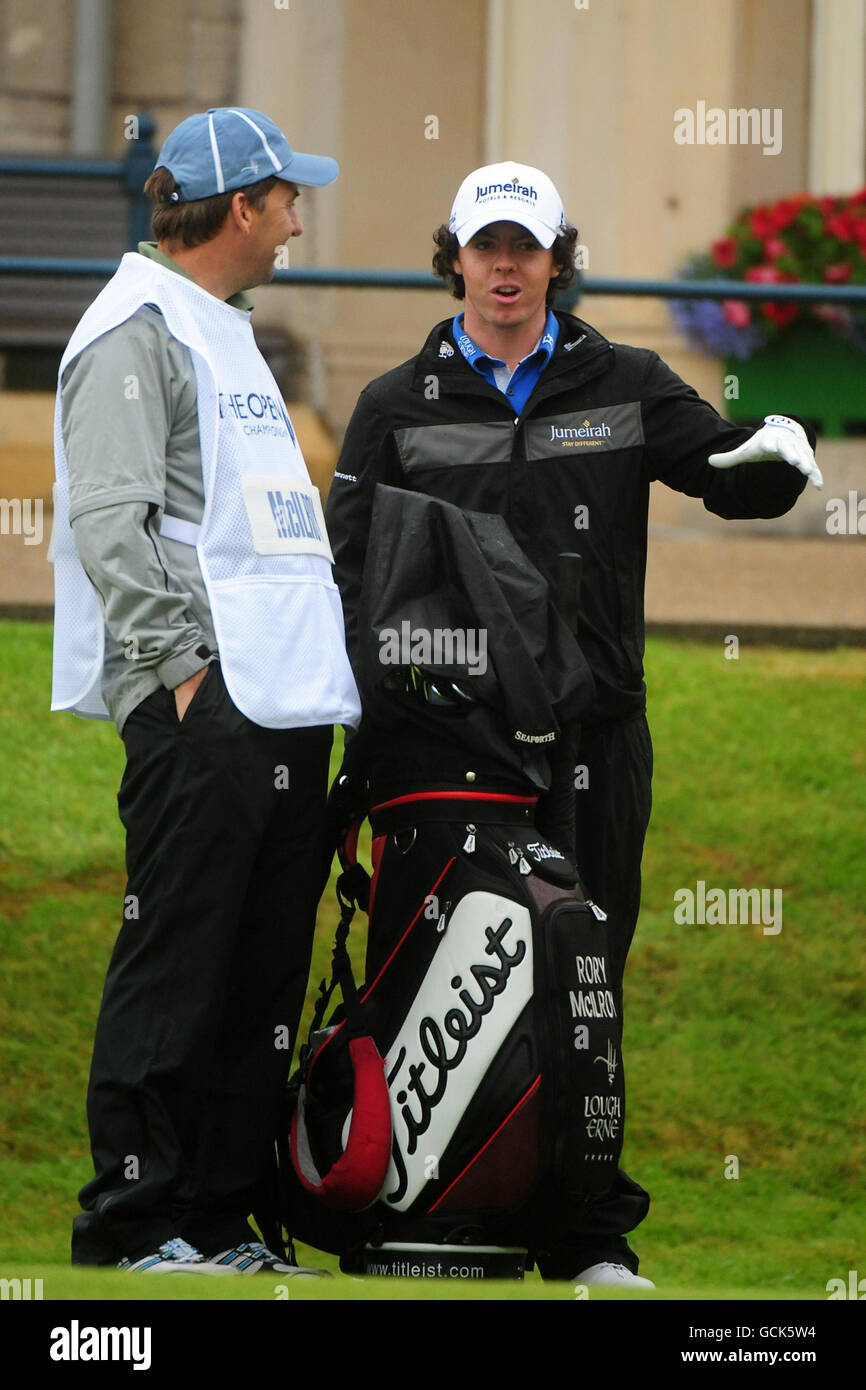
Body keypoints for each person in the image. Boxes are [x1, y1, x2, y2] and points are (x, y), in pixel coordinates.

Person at [324, 161, 821, 1286]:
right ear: (451, 254)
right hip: (444, 747)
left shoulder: (625, 379)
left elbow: (719, 468)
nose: (505, 267)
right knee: (432, 973)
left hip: (592, 737)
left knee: (581, 981)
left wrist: (773, 458)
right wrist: (367, 733)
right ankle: (419, 1214)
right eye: (485, 246)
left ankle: (585, 1232)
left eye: (527, 247)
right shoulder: (395, 402)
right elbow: (346, 581)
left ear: (558, 257)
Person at [51, 107, 360, 1275]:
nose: (296, 215)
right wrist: (179, 670)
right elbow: (107, 522)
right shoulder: (137, 325)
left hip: (280, 699)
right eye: (286, 195)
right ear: (241, 207)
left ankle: (220, 1214)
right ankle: (131, 1221)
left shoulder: (222, 325)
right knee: (177, 964)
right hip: (208, 699)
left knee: (258, 973)